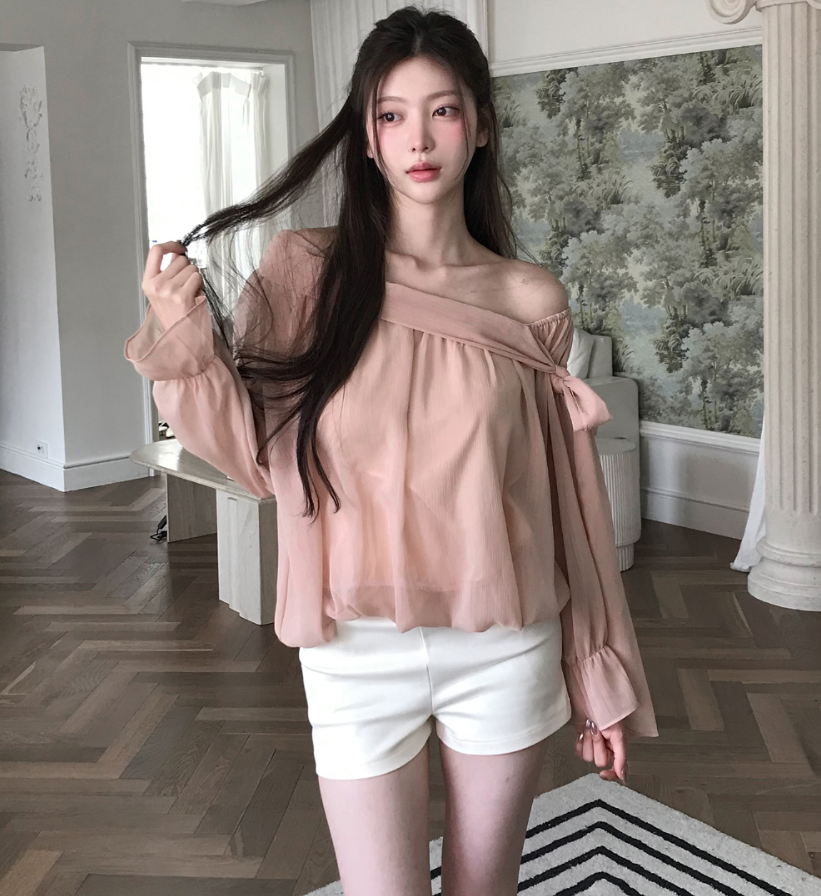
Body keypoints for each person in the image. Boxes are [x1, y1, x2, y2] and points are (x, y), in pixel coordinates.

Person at [126, 6, 659, 894]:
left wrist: (597, 672)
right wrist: (180, 332)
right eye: (390, 114)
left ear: (480, 125)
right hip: (352, 648)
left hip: (504, 644)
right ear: (367, 138)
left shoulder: (528, 299)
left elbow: (565, 500)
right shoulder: (304, 274)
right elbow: (257, 459)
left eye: (442, 110)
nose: (418, 139)